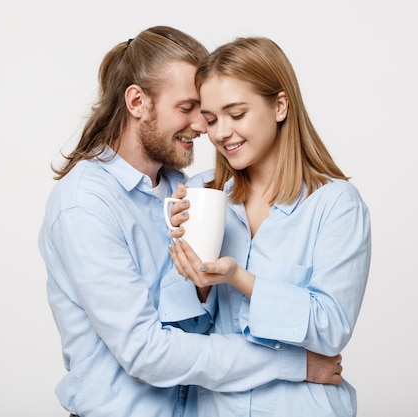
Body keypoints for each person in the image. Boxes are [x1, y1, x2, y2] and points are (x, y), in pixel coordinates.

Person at [38, 27, 344, 417]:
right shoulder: (84, 205)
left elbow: (200, 324)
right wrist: (293, 364)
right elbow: (145, 351)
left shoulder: (186, 192)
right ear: (137, 102)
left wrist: (202, 287)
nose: (203, 126)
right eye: (187, 108)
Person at [164, 36, 372, 417]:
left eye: (236, 114)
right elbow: (178, 341)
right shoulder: (200, 193)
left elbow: (330, 328)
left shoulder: (335, 204)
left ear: (280, 106)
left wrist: (240, 279)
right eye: (211, 119)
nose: (221, 132)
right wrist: (196, 277)